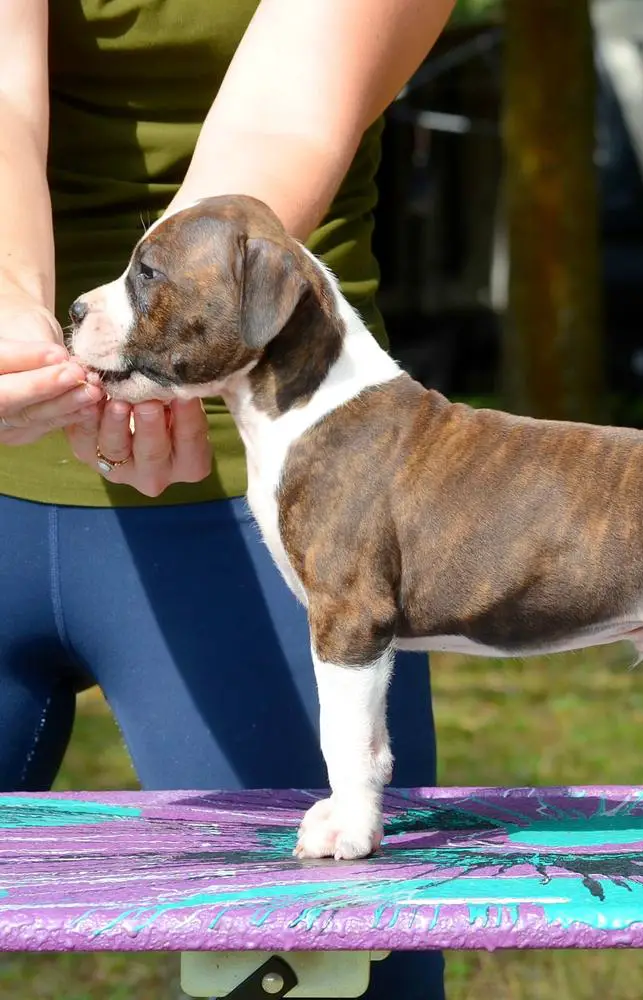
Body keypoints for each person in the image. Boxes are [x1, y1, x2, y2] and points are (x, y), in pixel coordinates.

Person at [0, 2, 455, 997]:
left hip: (283, 493)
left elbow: (288, 114)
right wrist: (13, 314)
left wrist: (167, 346)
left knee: (323, 963)